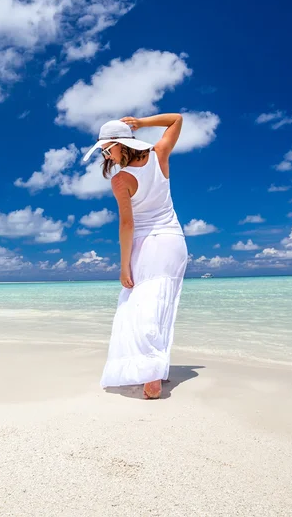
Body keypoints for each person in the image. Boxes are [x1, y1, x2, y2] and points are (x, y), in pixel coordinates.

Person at [82, 114, 187, 399]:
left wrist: (124, 266)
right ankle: (156, 368)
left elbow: (127, 225)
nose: (105, 154)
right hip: (175, 243)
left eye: (107, 148)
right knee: (162, 305)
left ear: (120, 145)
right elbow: (176, 120)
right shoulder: (159, 154)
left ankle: (151, 376)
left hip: (148, 243)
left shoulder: (121, 180)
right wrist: (141, 122)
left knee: (139, 307)